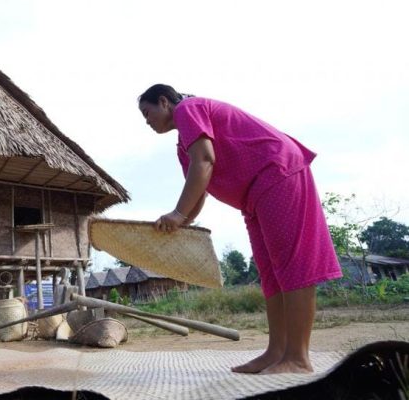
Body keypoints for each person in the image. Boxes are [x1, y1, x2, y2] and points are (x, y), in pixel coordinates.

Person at [137, 84, 342, 374]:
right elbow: (200, 189)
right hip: (254, 195)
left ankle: (297, 357)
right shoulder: (184, 143)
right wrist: (182, 222)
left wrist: (178, 213)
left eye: (147, 113)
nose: (147, 121)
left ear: (164, 102)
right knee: (270, 272)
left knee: (290, 265)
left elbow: (205, 161)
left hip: (276, 171)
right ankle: (276, 352)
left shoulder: (188, 109)